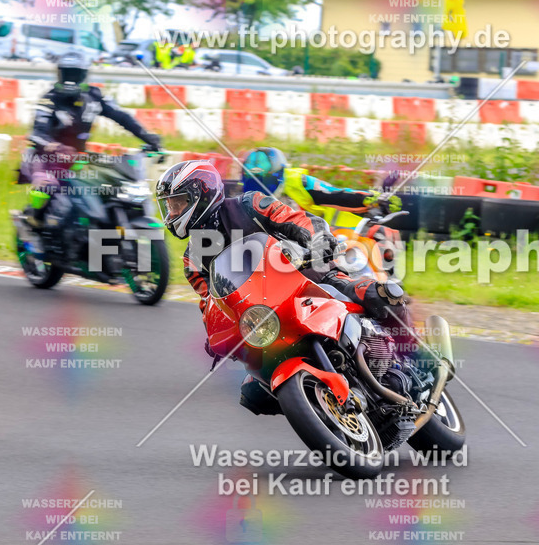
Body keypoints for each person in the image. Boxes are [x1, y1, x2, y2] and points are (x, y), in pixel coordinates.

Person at [157, 161, 411, 414]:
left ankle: (411, 360)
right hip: (262, 316)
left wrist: (318, 239)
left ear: (202, 194)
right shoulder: (192, 261)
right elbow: (210, 304)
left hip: (309, 278)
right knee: (253, 394)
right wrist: (215, 335)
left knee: (380, 295)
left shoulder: (249, 204)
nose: (173, 212)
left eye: (178, 203)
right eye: (169, 206)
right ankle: (320, 407)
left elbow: (296, 219)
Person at [23, 51, 162, 231]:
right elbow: (37, 133)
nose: (71, 79)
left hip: (79, 159)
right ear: (59, 74)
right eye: (67, 74)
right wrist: (54, 147)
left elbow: (122, 117)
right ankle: (34, 221)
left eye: (75, 74)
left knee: (111, 186)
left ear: (83, 76)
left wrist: (147, 136)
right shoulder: (49, 100)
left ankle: (100, 230)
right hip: (46, 159)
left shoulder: (94, 96)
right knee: (47, 187)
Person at [241, 147, 402, 236]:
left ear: (277, 173)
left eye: (265, 178)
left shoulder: (299, 182)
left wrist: (372, 199)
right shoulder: (241, 199)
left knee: (381, 234)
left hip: (322, 238)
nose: (261, 185)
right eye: (253, 179)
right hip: (273, 248)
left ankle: (385, 283)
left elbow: (335, 194)